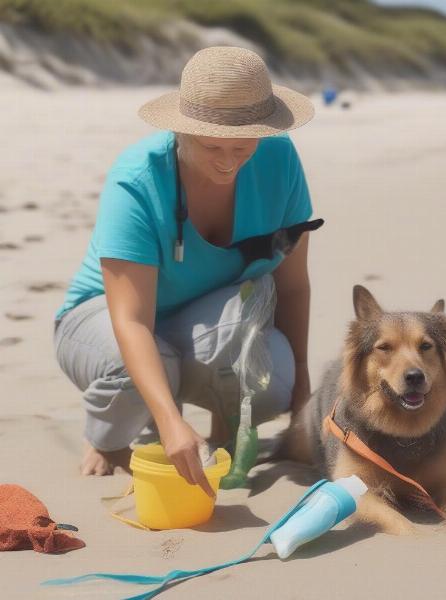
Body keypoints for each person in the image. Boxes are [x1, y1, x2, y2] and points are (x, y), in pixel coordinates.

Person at [53, 47, 318, 496]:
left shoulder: (279, 159)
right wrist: (170, 422)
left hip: (197, 321)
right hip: (103, 324)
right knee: (140, 372)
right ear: (181, 129)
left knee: (278, 379)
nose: (229, 161)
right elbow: (131, 321)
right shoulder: (137, 180)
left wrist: (303, 393)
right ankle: (108, 435)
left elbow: (292, 287)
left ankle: (219, 420)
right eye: (212, 145)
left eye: (242, 145)